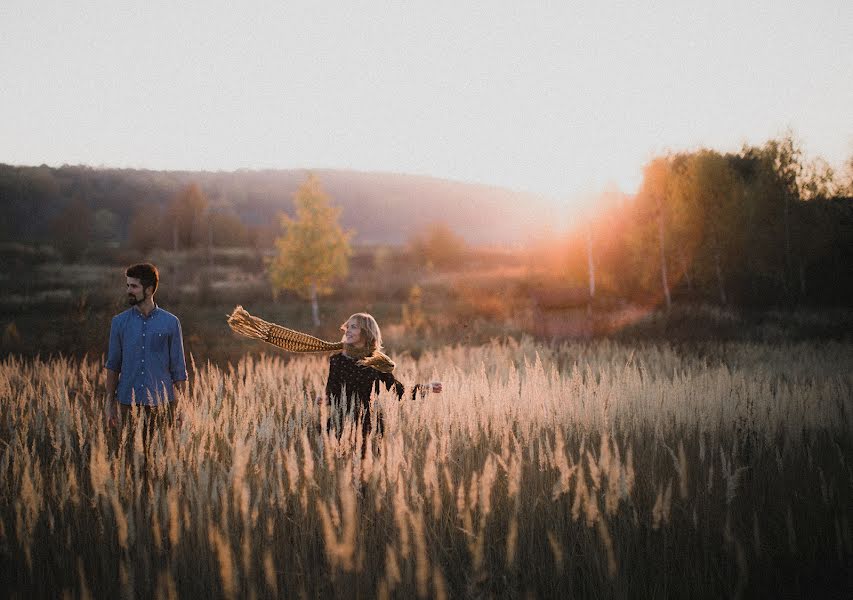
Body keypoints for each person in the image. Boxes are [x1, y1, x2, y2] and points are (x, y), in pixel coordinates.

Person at [325, 313, 441, 448]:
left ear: (366, 332)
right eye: (348, 327)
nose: (348, 330)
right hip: (341, 423)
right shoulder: (337, 360)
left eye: (354, 327)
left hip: (369, 425)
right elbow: (331, 391)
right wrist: (324, 399)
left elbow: (399, 392)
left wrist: (426, 388)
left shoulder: (377, 361)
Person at [105, 263, 188, 447]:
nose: (129, 290)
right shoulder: (119, 323)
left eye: (134, 286)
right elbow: (113, 365)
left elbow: (178, 370)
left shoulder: (171, 323)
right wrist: (109, 405)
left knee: (159, 462)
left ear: (149, 290)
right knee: (129, 463)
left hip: (162, 407)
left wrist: (182, 409)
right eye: (127, 285)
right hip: (127, 405)